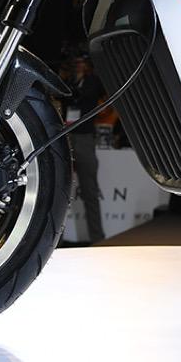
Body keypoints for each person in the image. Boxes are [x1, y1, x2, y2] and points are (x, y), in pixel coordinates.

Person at [63, 54, 106, 243]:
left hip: (84, 138)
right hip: (66, 138)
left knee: (90, 192)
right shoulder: (67, 82)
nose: (78, 65)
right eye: (75, 61)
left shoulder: (92, 81)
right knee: (62, 192)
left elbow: (92, 95)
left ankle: (97, 238)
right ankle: (56, 239)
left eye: (81, 61)